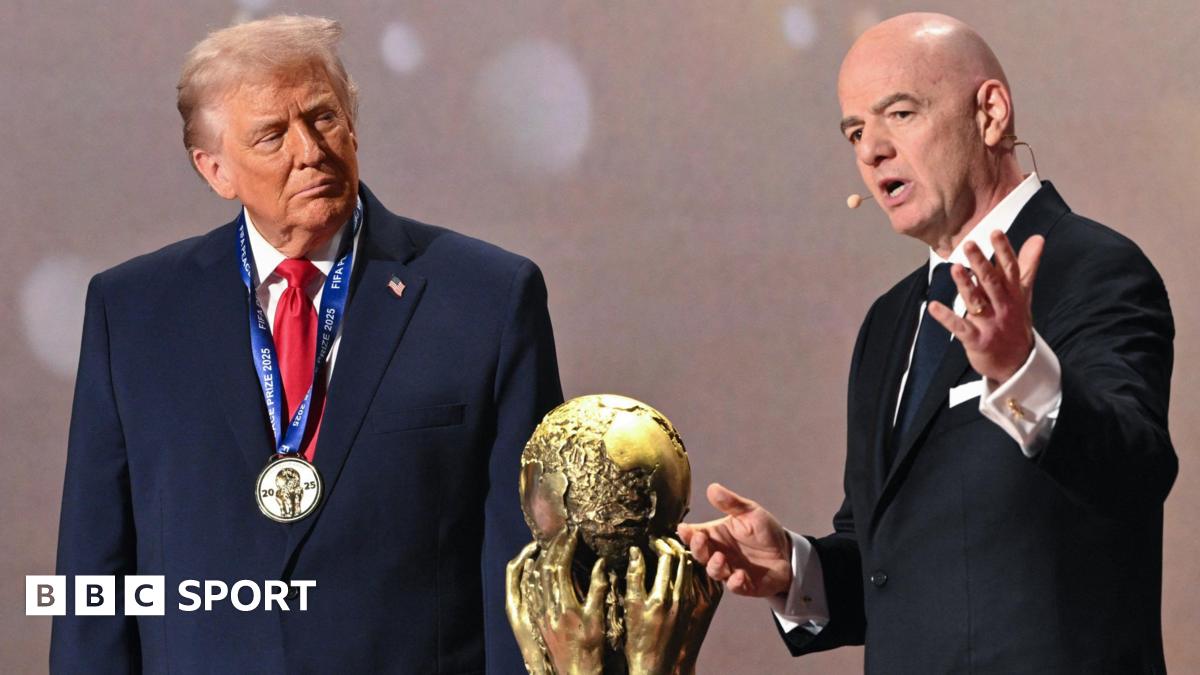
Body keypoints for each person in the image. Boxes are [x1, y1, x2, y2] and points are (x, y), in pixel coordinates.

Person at [51, 15, 562, 674]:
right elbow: (93, 576)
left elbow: (526, 568)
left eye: (323, 118)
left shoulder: (486, 298)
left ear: (353, 126)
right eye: (272, 135)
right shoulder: (133, 313)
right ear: (215, 169)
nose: (310, 150)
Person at [678, 12, 1175, 674]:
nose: (871, 151)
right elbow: (896, 568)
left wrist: (1020, 370)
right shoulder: (889, 320)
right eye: (856, 132)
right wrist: (796, 568)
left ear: (990, 114)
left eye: (900, 114)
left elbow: (1134, 472)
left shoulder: (1093, 267)